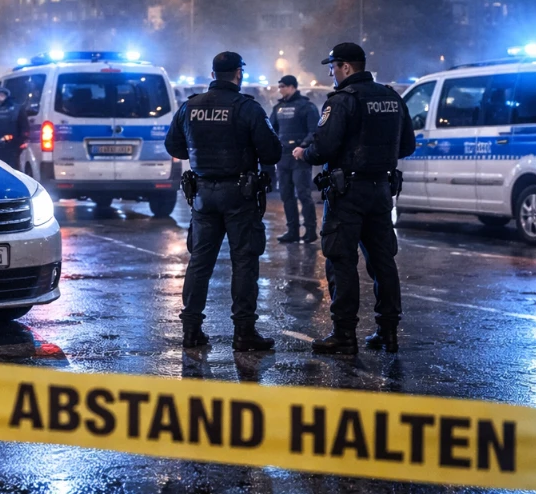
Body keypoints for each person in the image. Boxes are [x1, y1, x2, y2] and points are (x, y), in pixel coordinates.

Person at [293, 42, 415, 355]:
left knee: (341, 261)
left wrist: (303, 153)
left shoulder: (342, 100)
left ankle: (344, 334)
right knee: (382, 261)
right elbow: (407, 146)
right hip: (380, 190)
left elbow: (324, 148)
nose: (331, 73)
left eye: (332, 67)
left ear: (346, 67)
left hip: (346, 192)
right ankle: (388, 332)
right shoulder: (391, 97)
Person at [165, 51, 282, 352]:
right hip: (239, 195)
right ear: (238, 73)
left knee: (200, 263)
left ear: (214, 73)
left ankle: (191, 330)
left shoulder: (190, 107)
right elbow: (272, 153)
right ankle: (244, 333)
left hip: (203, 195)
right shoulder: (246, 108)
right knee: (244, 262)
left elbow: (173, 146)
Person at [270, 75, 320, 243]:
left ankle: (310, 230)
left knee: (303, 194)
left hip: (300, 157)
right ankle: (292, 230)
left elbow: (314, 131)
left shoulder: (306, 107)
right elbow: (271, 130)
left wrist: (304, 146)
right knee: (286, 195)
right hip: (283, 157)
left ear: (292, 87)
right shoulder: (278, 108)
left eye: (283, 86)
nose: (280, 89)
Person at [0, 88, 27, 168]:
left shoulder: (16, 109)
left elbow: (24, 127)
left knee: (12, 168)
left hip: (12, 146)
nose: (0, 97)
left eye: (2, 95)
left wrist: (18, 142)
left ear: (7, 96)